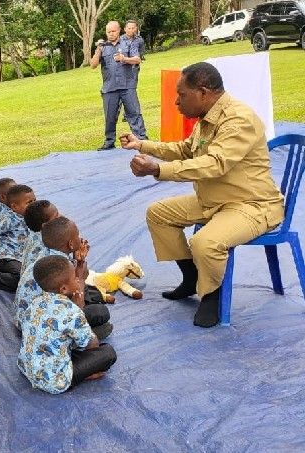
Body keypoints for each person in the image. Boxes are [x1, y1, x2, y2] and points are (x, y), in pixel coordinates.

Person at [121, 61, 284, 327]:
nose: (176, 102)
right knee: (158, 214)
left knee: (205, 242)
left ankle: (212, 294)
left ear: (203, 92)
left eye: (182, 95)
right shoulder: (207, 119)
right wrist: (143, 145)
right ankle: (192, 277)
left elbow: (215, 163)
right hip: (216, 200)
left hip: (252, 204)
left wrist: (159, 170)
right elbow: (187, 150)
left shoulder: (238, 119)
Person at [18, 255, 117, 393]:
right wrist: (79, 310)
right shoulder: (71, 312)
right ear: (63, 289)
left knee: (93, 323)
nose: (78, 279)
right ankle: (81, 376)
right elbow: (92, 346)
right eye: (74, 277)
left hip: (27, 366)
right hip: (54, 380)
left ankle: (84, 336)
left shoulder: (36, 301)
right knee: (108, 353)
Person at [90, 20, 147, 150]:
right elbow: (93, 65)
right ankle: (109, 141)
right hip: (110, 88)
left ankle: (142, 140)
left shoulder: (128, 43)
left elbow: (137, 59)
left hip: (127, 86)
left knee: (134, 113)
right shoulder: (103, 46)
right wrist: (98, 50)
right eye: (108, 32)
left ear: (119, 30)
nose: (111, 34)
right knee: (110, 116)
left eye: (113, 31)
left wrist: (124, 59)